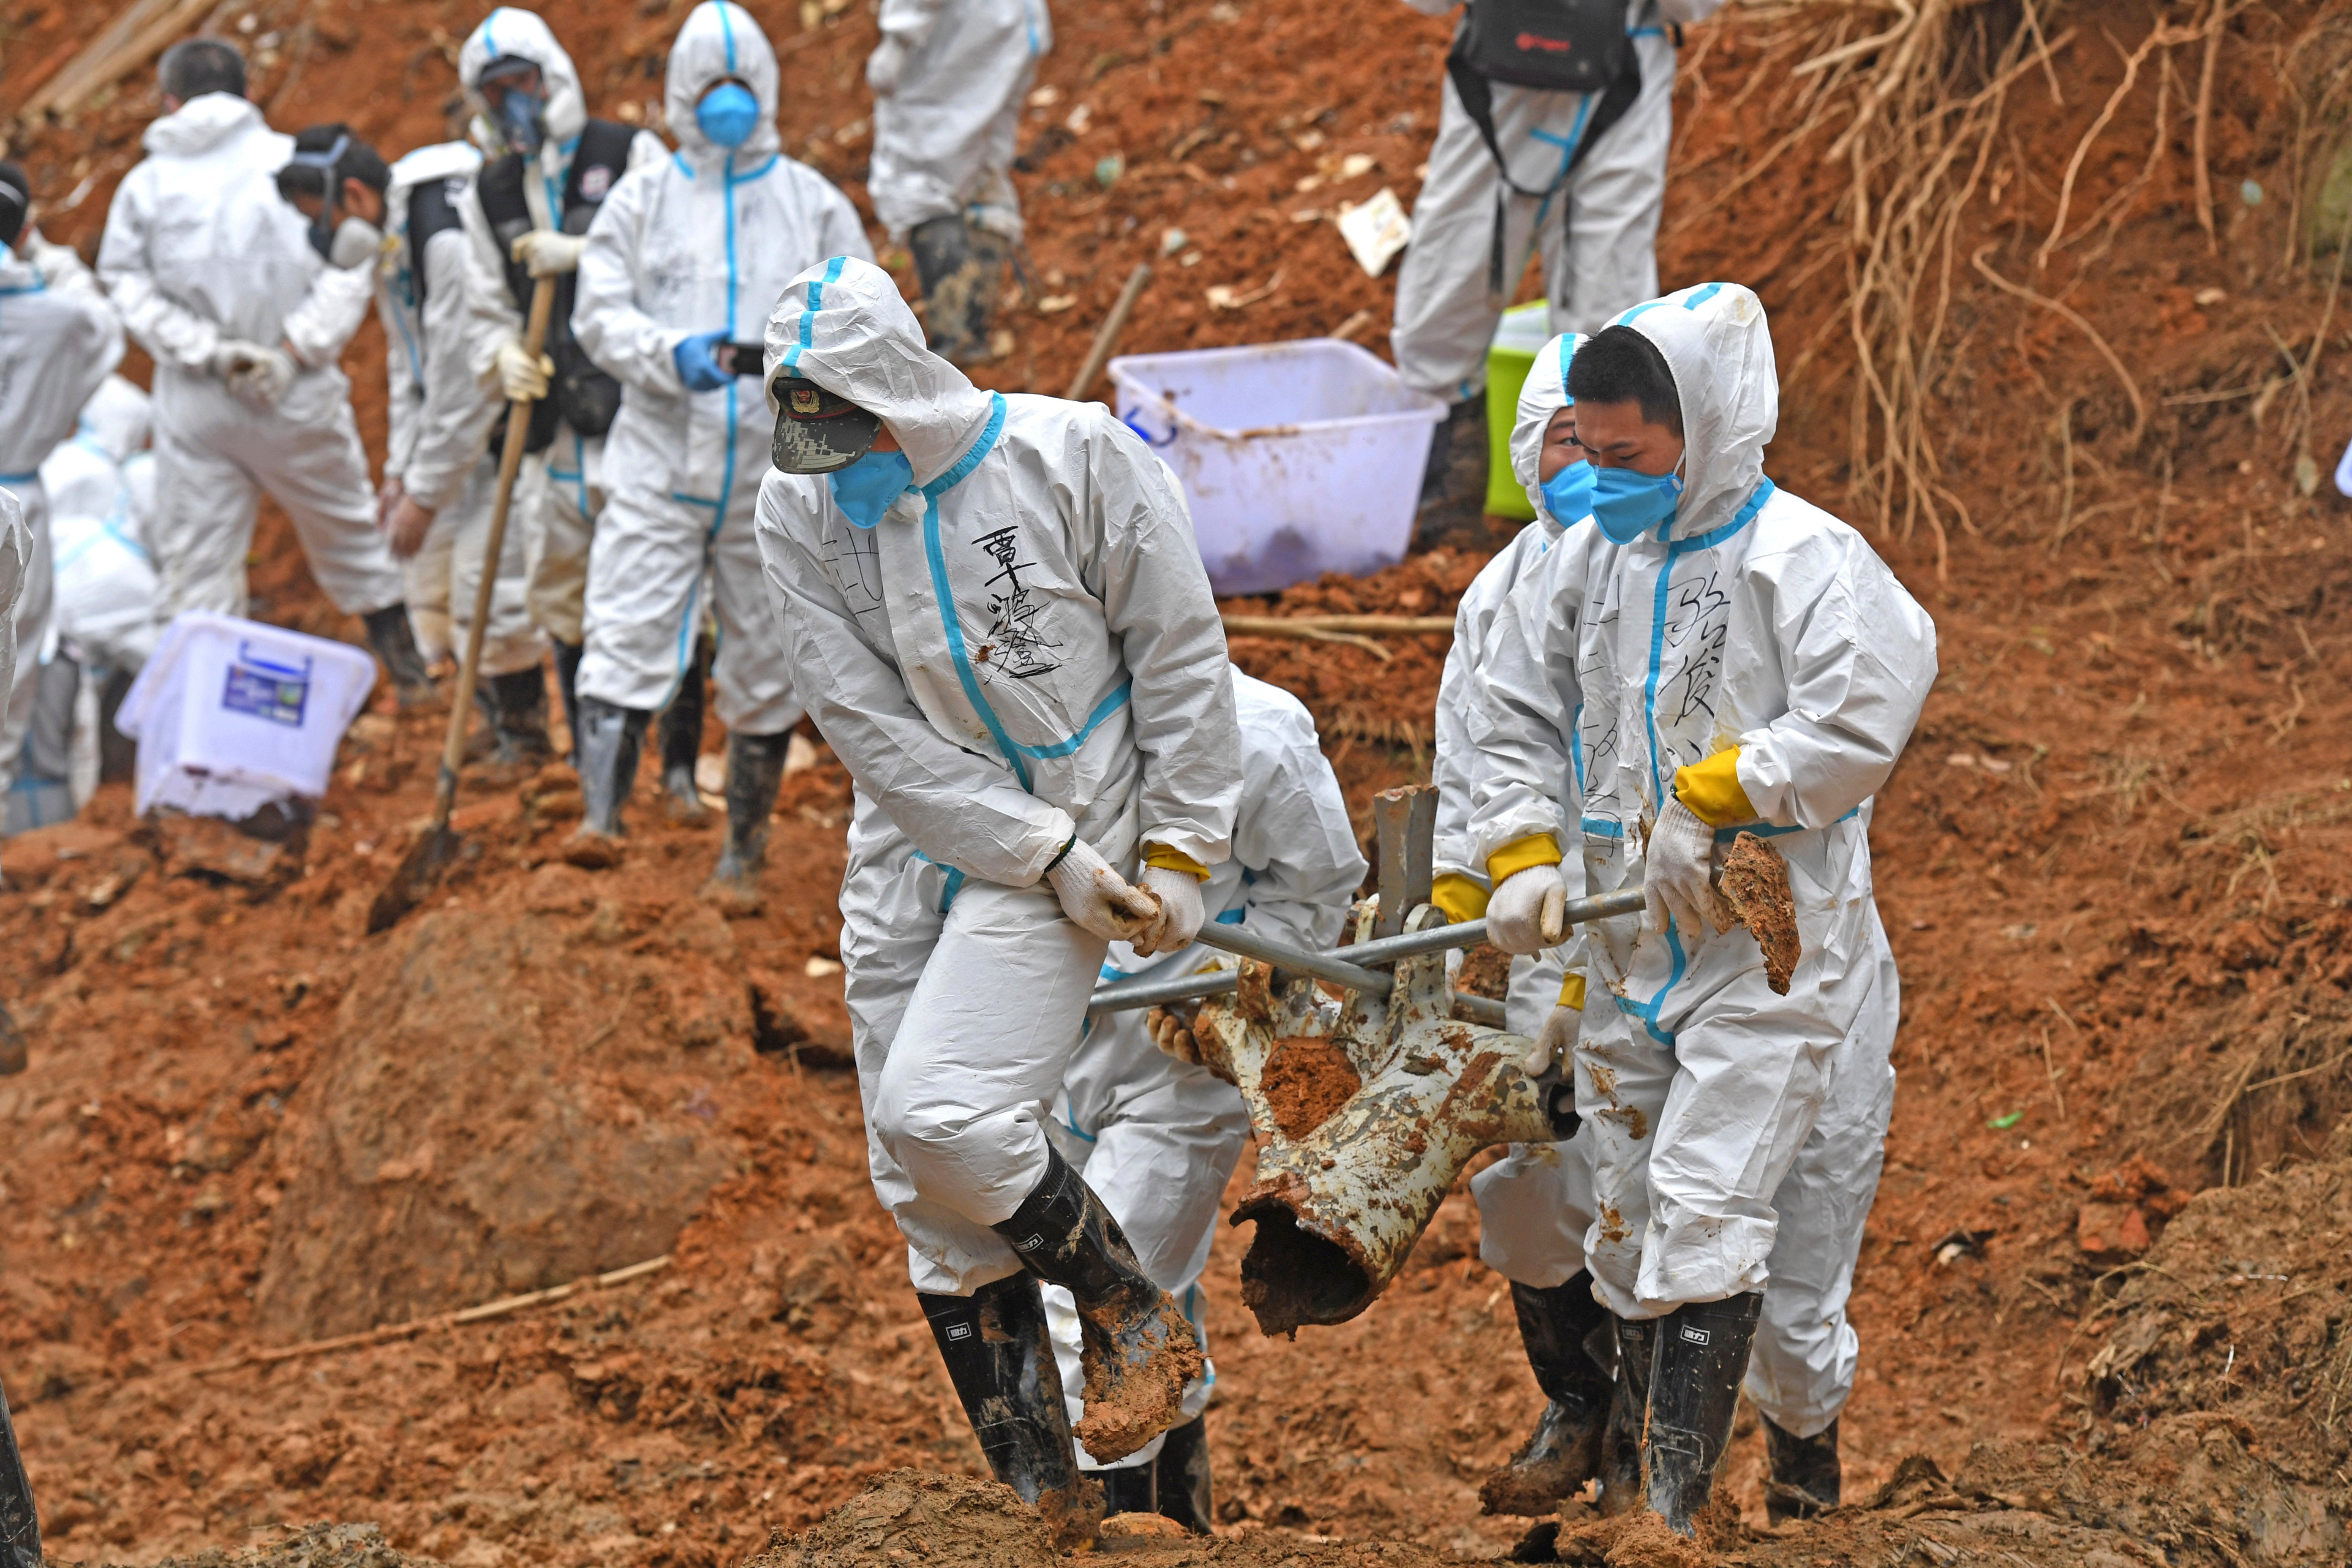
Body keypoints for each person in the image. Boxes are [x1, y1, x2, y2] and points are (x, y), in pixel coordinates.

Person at [753, 254, 1242, 1517]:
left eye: (846, 441)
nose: (830, 479)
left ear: (895, 401)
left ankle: (1131, 1308)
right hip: (932, 833)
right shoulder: (799, 507)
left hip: (1085, 827)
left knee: (946, 1116)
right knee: (920, 1181)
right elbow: (867, 725)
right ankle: (1045, 1511)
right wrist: (1029, 846)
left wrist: (1179, 848)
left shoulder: (1071, 459)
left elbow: (1181, 653)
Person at [1470, 281, 1935, 1535]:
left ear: (1710, 426)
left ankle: (1749, 1495)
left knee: (1731, 1230)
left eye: (1626, 456)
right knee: (1624, 1220)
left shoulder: (1806, 561)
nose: (1603, 481)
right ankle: (1647, 1493)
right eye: (1588, 453)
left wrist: (1721, 789)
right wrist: (1518, 850)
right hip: (1631, 948)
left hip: (1773, 957)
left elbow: (1859, 712)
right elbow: (1510, 711)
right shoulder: (1594, 563)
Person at [838, 670, 1361, 1531]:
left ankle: (1106, 1536)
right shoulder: (990, 744)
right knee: (1142, 1280)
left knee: (1103, 1309)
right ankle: (1180, 1530)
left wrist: (1212, 987)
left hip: (1179, 1066)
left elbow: (1318, 884)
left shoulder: (1259, 734)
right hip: (1041, 1045)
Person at [569, 0, 871, 885]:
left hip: (776, 469)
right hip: (662, 456)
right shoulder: (645, 198)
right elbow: (599, 311)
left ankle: (741, 854)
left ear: (768, 88)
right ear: (679, 93)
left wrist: (806, 375)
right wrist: (667, 354)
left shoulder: (811, 203)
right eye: (710, 87)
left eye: (742, 85)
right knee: (624, 625)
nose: (726, 102)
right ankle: (599, 823)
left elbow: (864, 314)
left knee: (767, 650)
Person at [95, 40, 430, 704]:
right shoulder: (293, 166)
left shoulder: (145, 186)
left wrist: (209, 352)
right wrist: (293, 350)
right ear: (249, 95)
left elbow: (124, 283)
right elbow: (348, 263)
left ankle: (195, 725)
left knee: (199, 569)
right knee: (352, 537)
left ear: (168, 102)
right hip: (294, 391)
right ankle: (415, 681)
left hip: (198, 399)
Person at [1389, 0, 1718, 537]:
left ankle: (1606, 519)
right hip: (1496, 82)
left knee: (1611, 310)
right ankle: (1442, 507)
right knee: (1448, 286)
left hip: (1621, 78)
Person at [281, 124, 552, 768]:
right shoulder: (393, 239)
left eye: (320, 217)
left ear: (353, 193)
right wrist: (403, 472)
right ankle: (489, 720)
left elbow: (464, 379)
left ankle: (529, 737)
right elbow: (411, 363)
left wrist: (426, 494)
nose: (321, 233)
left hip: (501, 422)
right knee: (433, 586)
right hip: (452, 434)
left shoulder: (444, 235)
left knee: (491, 584)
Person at [455, 7, 668, 756]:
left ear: (551, 77)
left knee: (656, 584)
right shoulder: (492, 190)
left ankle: (669, 758)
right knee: (561, 586)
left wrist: (584, 253)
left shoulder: (625, 151)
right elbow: (482, 302)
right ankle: (592, 757)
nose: (515, 101)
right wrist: (500, 357)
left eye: (523, 83)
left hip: (642, 410)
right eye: (496, 92)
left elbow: (673, 254)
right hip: (556, 424)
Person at [0, 161, 125, 827]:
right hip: (16, 505)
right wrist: (52, 259)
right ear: (22, 233)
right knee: (10, 672)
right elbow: (106, 333)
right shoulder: (61, 318)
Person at [865, 0, 1051, 364]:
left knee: (920, 173)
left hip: (967, 28)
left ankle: (958, 334)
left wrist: (900, 36)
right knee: (983, 157)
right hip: (1019, 20)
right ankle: (980, 322)